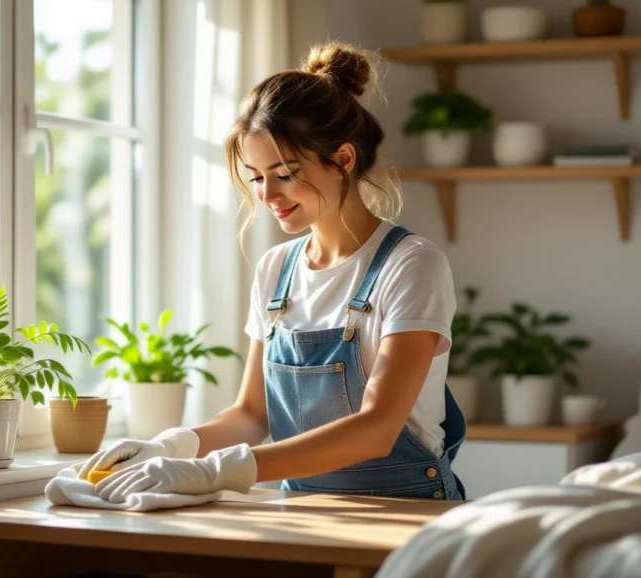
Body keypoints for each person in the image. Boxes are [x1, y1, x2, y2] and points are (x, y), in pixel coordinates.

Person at [78, 42, 467, 503]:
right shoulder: (276, 269)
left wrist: (216, 471)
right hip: (299, 508)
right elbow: (251, 414)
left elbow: (377, 428)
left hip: (403, 508)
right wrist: (169, 445)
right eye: (256, 176)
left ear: (343, 160)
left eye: (284, 173)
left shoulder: (410, 264)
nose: (267, 194)